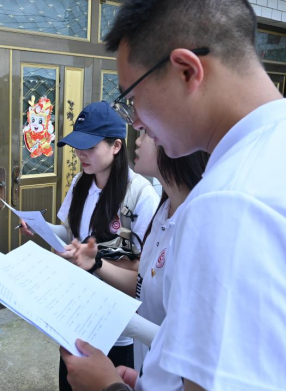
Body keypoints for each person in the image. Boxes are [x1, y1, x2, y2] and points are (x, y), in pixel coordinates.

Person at [60, 0, 286, 391]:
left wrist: (108, 388)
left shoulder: (228, 202)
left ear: (187, 71)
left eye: (132, 99)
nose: (136, 122)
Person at [21, 101, 160, 391]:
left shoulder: (141, 195)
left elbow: (142, 272)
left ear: (116, 146)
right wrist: (41, 228)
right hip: (75, 313)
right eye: (77, 146)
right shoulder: (80, 183)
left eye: (90, 146)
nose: (80, 154)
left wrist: (95, 262)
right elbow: (70, 233)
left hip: (115, 325)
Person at [60, 132, 209, 387]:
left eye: (148, 133)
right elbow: (143, 284)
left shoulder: (197, 223)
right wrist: (96, 264)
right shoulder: (163, 212)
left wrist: (121, 321)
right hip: (147, 370)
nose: (138, 140)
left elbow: (195, 340)